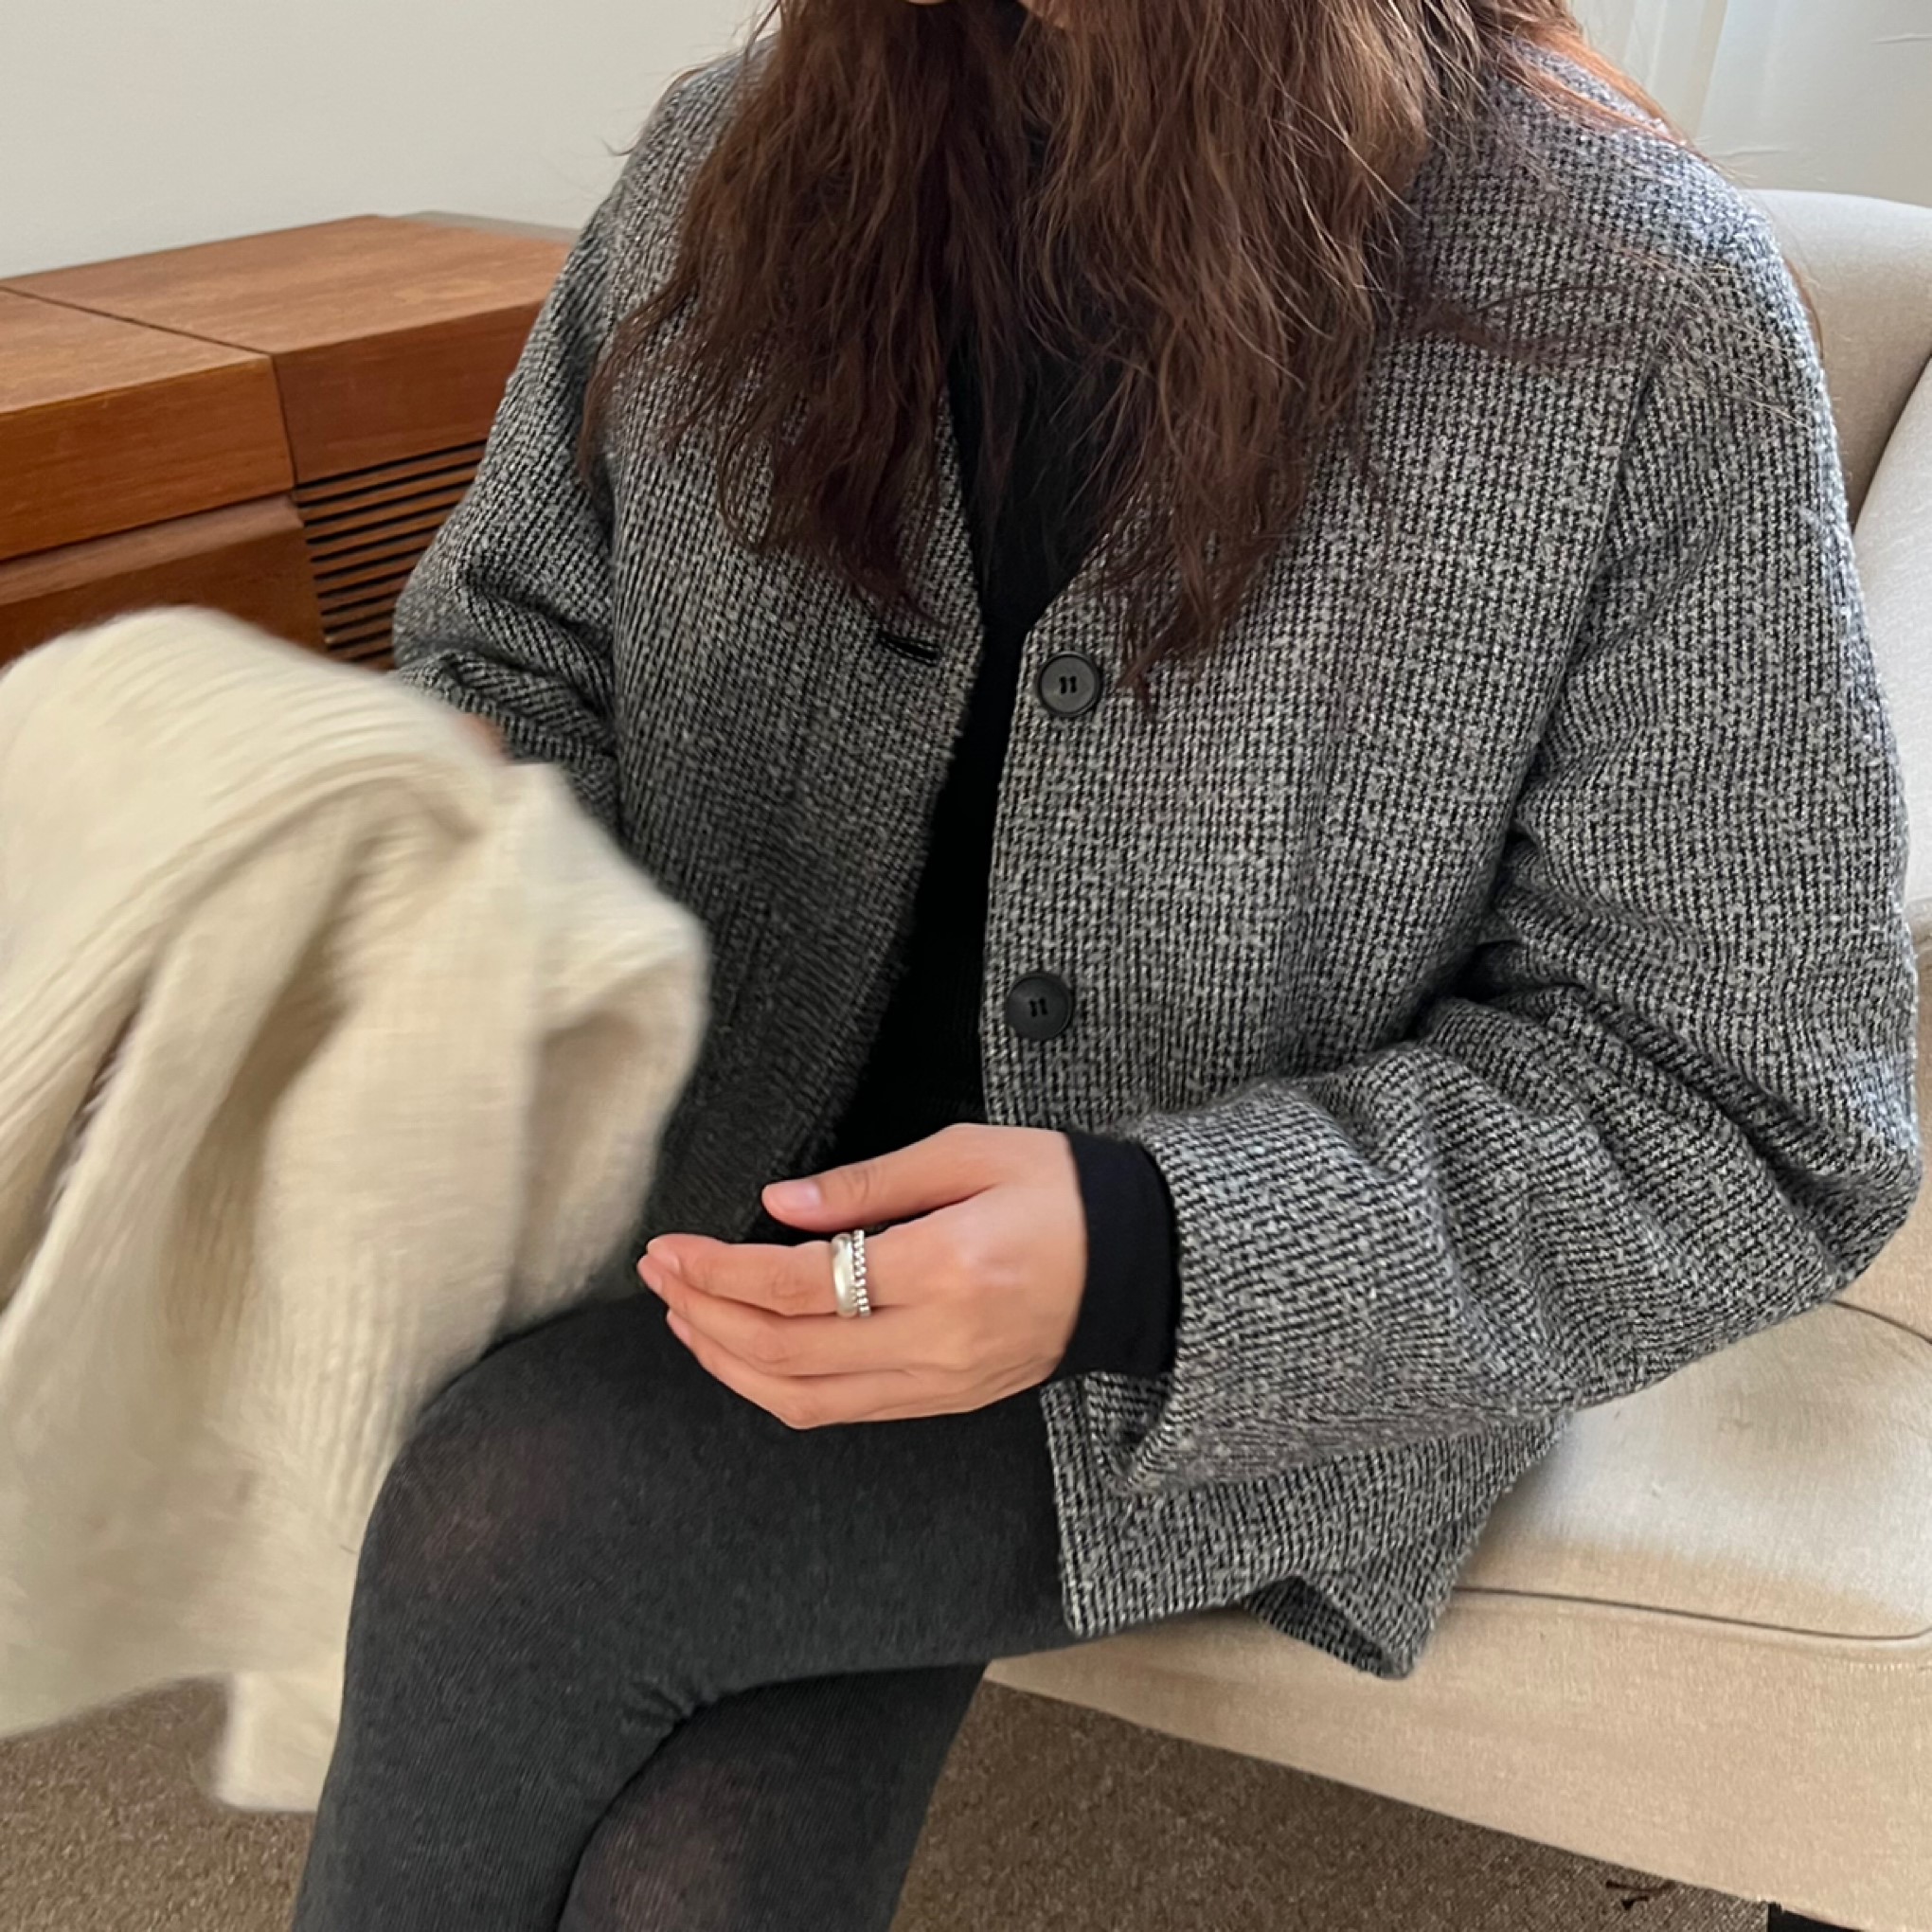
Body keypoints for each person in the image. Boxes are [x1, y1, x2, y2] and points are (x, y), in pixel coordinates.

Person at [289, 0, 1923, 1925]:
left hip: (1223, 1340)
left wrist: (1147, 1250)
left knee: (522, 1518)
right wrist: (474, 848)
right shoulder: (730, 158)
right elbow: (511, 651)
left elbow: (1750, 1105)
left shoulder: (1630, 304)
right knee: (699, 1868)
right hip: (718, 1210)